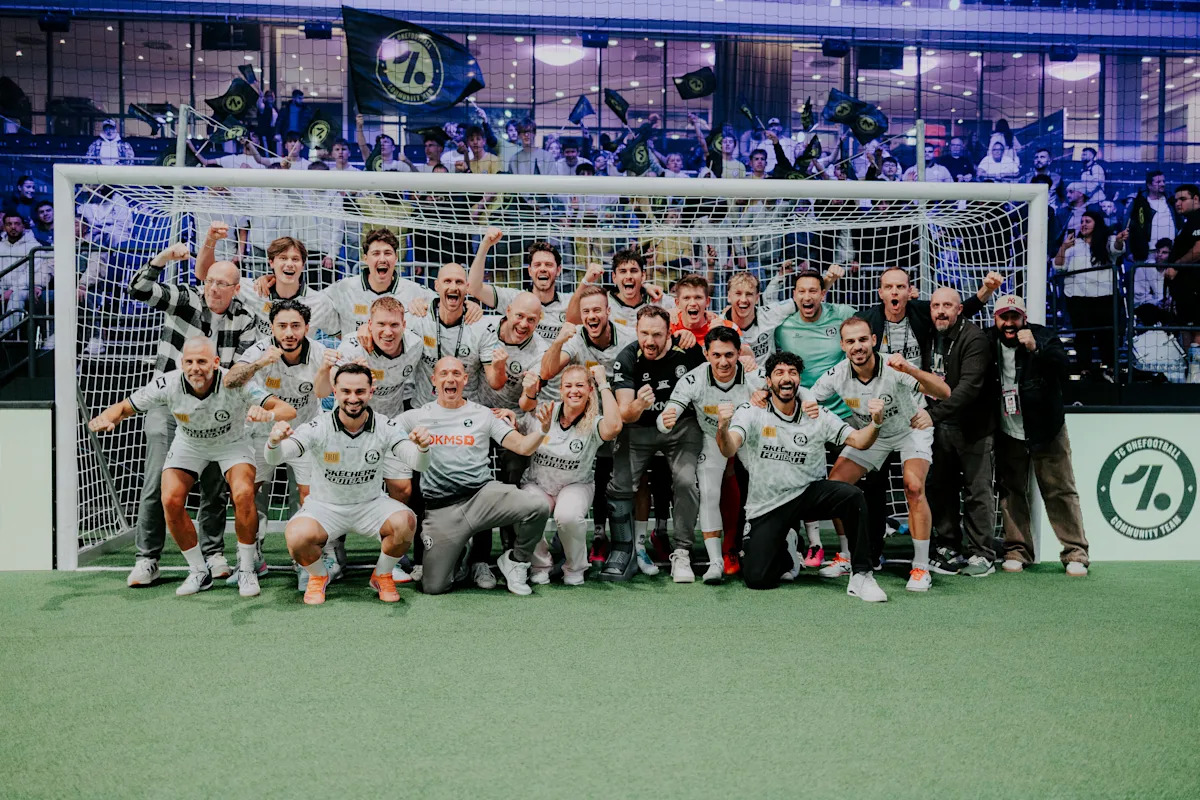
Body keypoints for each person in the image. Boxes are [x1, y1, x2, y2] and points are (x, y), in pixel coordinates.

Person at [87, 337, 295, 596]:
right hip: (190, 444)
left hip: (231, 443)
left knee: (243, 494)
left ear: (215, 363)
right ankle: (198, 571)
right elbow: (124, 407)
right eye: (190, 362)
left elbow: (287, 409)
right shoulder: (168, 384)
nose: (195, 367)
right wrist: (107, 418)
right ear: (181, 363)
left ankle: (246, 569)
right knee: (170, 499)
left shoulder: (234, 383)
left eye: (202, 361)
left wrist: (268, 414)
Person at [124, 242, 259, 588]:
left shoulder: (246, 319)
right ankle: (147, 558)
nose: (213, 288)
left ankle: (213, 554)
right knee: (159, 480)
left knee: (215, 484)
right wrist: (163, 258)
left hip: (217, 406)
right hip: (169, 403)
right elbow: (138, 289)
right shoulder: (185, 299)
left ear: (235, 289)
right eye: (209, 281)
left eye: (221, 284)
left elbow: (240, 372)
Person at [716, 351, 889, 601]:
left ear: (799, 379)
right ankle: (788, 547)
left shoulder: (817, 414)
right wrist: (723, 427)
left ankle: (862, 574)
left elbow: (860, 441)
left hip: (808, 493)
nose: (786, 378)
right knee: (757, 578)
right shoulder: (752, 411)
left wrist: (876, 423)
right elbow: (729, 447)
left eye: (792, 373)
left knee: (852, 496)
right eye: (779, 373)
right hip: (768, 503)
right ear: (768, 381)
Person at [268, 363, 430, 604]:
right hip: (325, 507)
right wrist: (273, 442)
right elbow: (276, 458)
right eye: (346, 391)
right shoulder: (319, 426)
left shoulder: (385, 426)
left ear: (371, 392)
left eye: (360, 391)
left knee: (406, 521)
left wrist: (423, 448)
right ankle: (318, 576)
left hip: (370, 505)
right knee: (296, 536)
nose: (353, 398)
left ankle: (382, 575)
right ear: (335, 392)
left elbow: (418, 463)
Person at [811, 317, 950, 592]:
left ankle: (921, 567)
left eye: (863, 339)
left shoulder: (895, 367)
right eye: (851, 341)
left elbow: (944, 392)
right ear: (842, 345)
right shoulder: (836, 374)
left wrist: (911, 369)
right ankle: (846, 556)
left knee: (913, 487)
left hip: (910, 429)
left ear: (874, 340)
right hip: (872, 435)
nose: (858, 346)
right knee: (835, 487)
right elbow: (807, 398)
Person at [393, 357, 551, 596]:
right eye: (444, 374)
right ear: (433, 380)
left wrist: (542, 430)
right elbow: (383, 433)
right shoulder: (416, 417)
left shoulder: (484, 415)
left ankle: (515, 562)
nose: (451, 379)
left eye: (456, 374)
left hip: (482, 498)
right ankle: (458, 554)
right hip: (442, 507)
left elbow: (523, 447)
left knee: (537, 507)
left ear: (465, 379)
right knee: (433, 587)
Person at [226, 299, 335, 579]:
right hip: (261, 433)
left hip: (304, 433)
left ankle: (307, 560)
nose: (289, 333)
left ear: (307, 328)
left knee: (310, 496)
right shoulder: (260, 350)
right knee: (246, 494)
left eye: (296, 326)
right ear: (272, 328)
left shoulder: (319, 352)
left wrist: (327, 370)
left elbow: (325, 392)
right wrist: (260, 363)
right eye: (282, 326)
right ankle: (251, 557)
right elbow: (230, 380)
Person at [985, 295, 1090, 576]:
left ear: (1024, 318)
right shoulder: (986, 340)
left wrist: (1036, 349)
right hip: (1007, 429)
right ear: (995, 319)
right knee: (1011, 491)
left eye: (1015, 317)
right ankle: (1017, 550)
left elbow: (1064, 367)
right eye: (1004, 317)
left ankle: (1075, 552)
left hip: (1046, 428)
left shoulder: (1044, 336)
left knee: (1060, 490)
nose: (1009, 323)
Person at [658, 326, 765, 584]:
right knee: (708, 492)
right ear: (706, 354)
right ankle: (715, 562)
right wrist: (666, 421)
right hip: (712, 437)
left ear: (739, 353)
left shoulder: (754, 376)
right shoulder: (693, 379)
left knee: (767, 486)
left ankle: (783, 547)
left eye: (729, 355)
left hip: (749, 438)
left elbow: (791, 391)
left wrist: (768, 395)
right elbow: (666, 417)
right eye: (716, 355)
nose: (723, 362)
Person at [606, 305, 706, 582]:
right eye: (644, 334)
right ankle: (624, 549)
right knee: (620, 485)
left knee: (686, 481)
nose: (649, 341)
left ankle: (682, 552)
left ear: (670, 333)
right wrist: (639, 404)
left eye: (657, 335)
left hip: (681, 428)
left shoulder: (689, 351)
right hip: (639, 427)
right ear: (636, 331)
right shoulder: (627, 358)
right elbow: (625, 413)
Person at [517, 365, 622, 585]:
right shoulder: (546, 411)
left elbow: (614, 427)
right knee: (527, 509)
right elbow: (522, 419)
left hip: (575, 484)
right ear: (561, 390)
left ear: (590, 390)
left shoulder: (593, 421)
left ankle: (575, 568)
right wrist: (510, 417)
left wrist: (603, 383)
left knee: (567, 516)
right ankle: (540, 565)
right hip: (538, 483)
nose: (574, 390)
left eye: (580, 385)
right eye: (568, 386)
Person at [925, 287, 997, 577]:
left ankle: (983, 554)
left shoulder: (974, 338)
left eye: (947, 306)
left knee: (977, 491)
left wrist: (932, 415)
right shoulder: (931, 332)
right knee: (941, 488)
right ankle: (948, 547)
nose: (941, 311)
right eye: (936, 306)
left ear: (959, 309)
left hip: (973, 427)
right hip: (940, 427)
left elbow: (968, 389)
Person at [197, 226, 334, 338]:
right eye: (283, 258)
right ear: (271, 262)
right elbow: (205, 274)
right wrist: (210, 240)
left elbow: (340, 334)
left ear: (303, 265)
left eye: (295, 259)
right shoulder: (253, 289)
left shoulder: (319, 302)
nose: (289, 264)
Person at [1053, 209, 1127, 379]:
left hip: (1104, 295)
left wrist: (1119, 240)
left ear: (1097, 224)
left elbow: (1117, 249)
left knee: (1106, 334)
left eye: (1088, 221)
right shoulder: (1073, 244)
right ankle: (1084, 369)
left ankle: (1109, 367)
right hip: (1078, 296)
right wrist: (1063, 247)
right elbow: (1059, 267)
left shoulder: (1108, 240)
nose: (1083, 225)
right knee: (1082, 334)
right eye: (1082, 221)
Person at [320, 228, 435, 337]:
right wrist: (340, 334)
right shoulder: (345, 287)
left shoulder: (414, 291)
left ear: (396, 258)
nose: (382, 259)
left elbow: (441, 306)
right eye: (376, 253)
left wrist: (426, 306)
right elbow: (315, 303)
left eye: (387, 253)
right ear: (365, 258)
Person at [469, 228, 571, 341]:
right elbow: (474, 288)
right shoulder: (514, 299)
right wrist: (485, 245)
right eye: (537, 265)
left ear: (558, 270)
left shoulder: (569, 303)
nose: (543, 269)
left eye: (548, 265)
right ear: (530, 271)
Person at [563, 248, 670, 330]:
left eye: (633, 271)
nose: (628, 276)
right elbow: (571, 320)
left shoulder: (658, 299)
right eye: (623, 271)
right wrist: (585, 281)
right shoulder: (604, 301)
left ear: (643, 276)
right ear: (614, 277)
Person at [1162, 184, 1200, 378]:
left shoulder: (1198, 218)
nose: (1178, 203)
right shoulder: (1187, 222)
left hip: (1196, 287)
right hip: (1185, 290)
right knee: (1187, 330)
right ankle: (1191, 375)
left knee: (1196, 331)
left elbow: (1199, 249)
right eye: (1176, 200)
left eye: (1183, 199)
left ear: (1196, 199)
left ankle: (1196, 376)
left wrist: (1176, 266)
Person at [0, 210, 50, 337]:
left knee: (16, 296)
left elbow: (30, 274)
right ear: (4, 226)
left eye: (17, 224)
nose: (13, 227)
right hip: (3, 288)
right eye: (9, 224)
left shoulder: (34, 246)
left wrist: (11, 290)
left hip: (25, 289)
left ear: (23, 226)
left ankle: (5, 335)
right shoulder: (0, 246)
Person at [1126, 171, 1180, 263]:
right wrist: (1129, 252)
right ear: (1149, 185)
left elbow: (1180, 224)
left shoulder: (1171, 201)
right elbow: (1128, 227)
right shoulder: (1138, 203)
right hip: (1147, 254)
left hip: (1171, 252)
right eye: (1158, 182)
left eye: (1163, 181)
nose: (1162, 184)